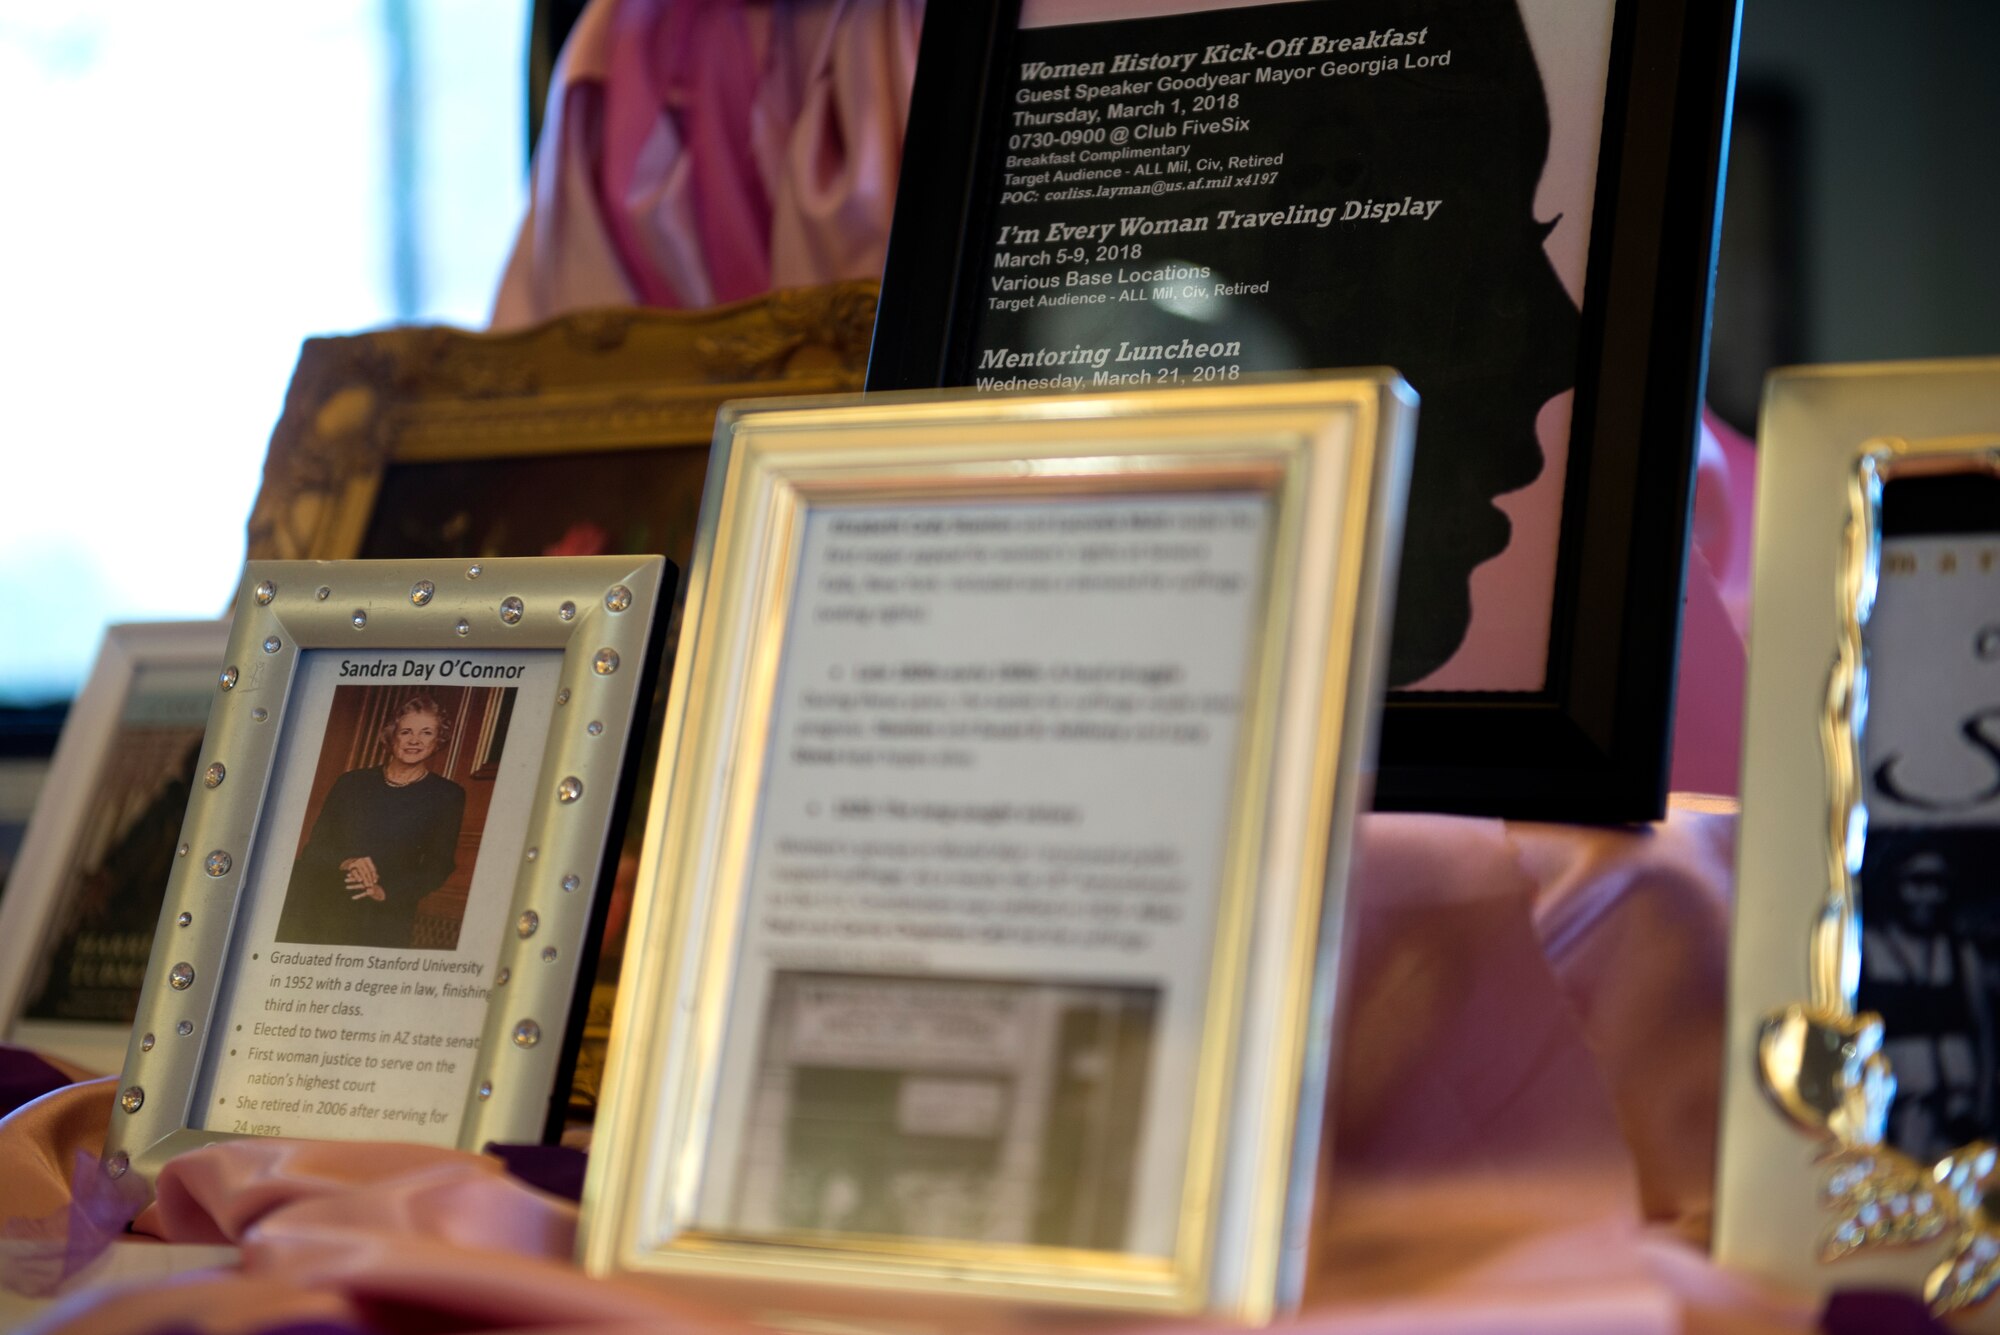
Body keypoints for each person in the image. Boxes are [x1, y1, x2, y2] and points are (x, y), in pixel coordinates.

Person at [275, 694, 467, 950]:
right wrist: (347, 861)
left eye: (427, 733)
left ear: (438, 740)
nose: (414, 740)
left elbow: (438, 866)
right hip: (322, 909)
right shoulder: (351, 783)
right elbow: (314, 851)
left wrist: (385, 892)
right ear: (392, 735)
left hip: (383, 919)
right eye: (406, 731)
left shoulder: (447, 795)